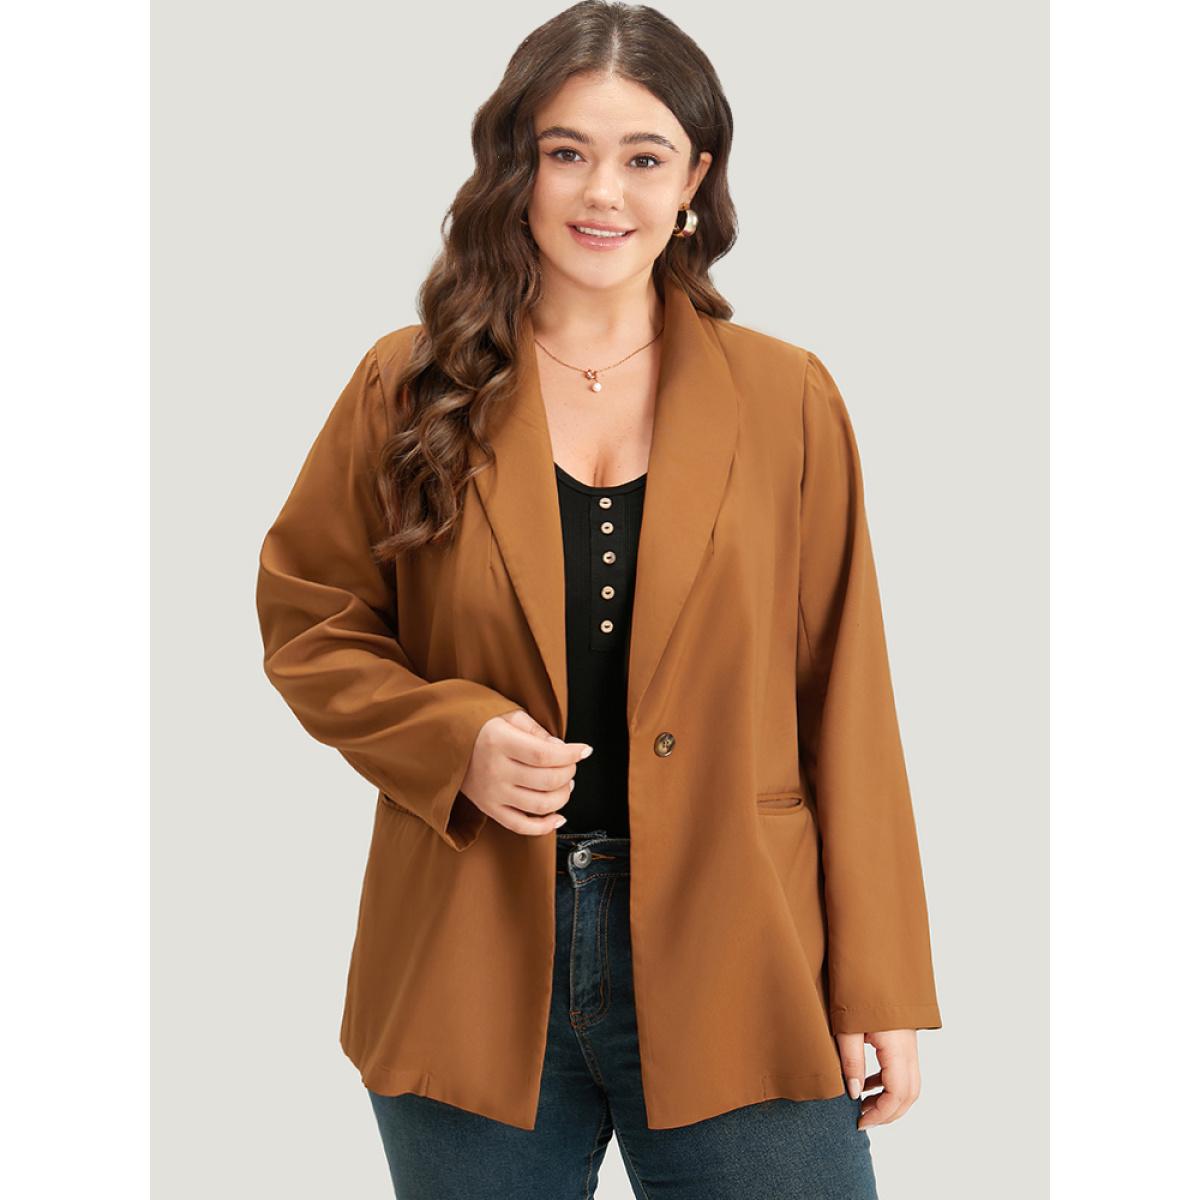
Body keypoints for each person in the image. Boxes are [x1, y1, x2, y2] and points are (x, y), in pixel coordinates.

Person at [255, 3, 943, 1196]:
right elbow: (310, 616)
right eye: (566, 151)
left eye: (644, 157)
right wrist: (452, 739)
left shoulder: (786, 398)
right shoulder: (407, 384)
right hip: (466, 953)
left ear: (695, 181)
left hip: (746, 949)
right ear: (515, 167)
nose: (603, 193)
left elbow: (847, 696)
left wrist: (877, 979)